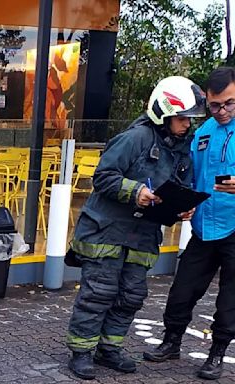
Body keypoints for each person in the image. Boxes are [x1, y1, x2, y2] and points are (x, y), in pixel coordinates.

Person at [65, 76, 206, 380]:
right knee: (98, 293)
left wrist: (182, 206)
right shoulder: (135, 138)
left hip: (142, 237)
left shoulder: (183, 149)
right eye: (183, 118)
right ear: (164, 112)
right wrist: (135, 191)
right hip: (107, 232)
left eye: (190, 119)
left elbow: (178, 186)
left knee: (131, 295)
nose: (187, 125)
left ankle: (108, 349)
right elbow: (103, 177)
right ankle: (81, 352)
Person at [143, 67, 235, 380]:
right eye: (214, 105)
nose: (222, 111)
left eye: (229, 104)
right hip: (204, 227)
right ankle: (171, 342)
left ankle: (217, 353)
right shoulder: (203, 132)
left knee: (229, 300)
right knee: (182, 290)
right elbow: (188, 174)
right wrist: (179, 201)